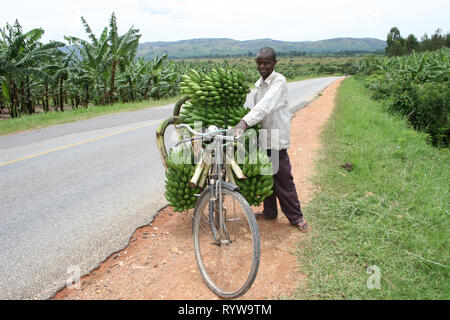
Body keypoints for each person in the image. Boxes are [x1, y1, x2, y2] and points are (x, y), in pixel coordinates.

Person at [234, 47, 308, 232]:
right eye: (259, 62)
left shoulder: (279, 81)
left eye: (266, 62)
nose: (262, 66)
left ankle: (296, 217)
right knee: (266, 176)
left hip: (275, 138)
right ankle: (270, 211)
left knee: (282, 179)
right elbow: (257, 108)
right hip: (263, 137)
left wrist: (244, 122)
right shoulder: (260, 84)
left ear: (275, 63)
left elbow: (265, 106)